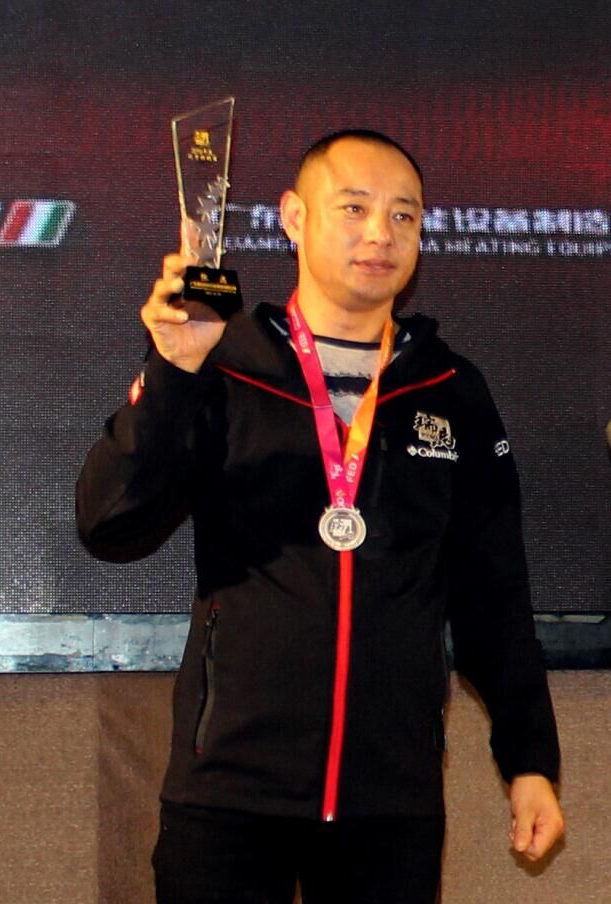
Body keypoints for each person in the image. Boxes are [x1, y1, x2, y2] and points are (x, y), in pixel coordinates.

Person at [76, 130, 564, 903]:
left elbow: (493, 596)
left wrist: (529, 760)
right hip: (228, 792)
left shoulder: (449, 389)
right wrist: (172, 372)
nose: (381, 234)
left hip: (389, 803)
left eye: (403, 215)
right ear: (294, 218)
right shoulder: (222, 362)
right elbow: (108, 522)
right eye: (354, 208)